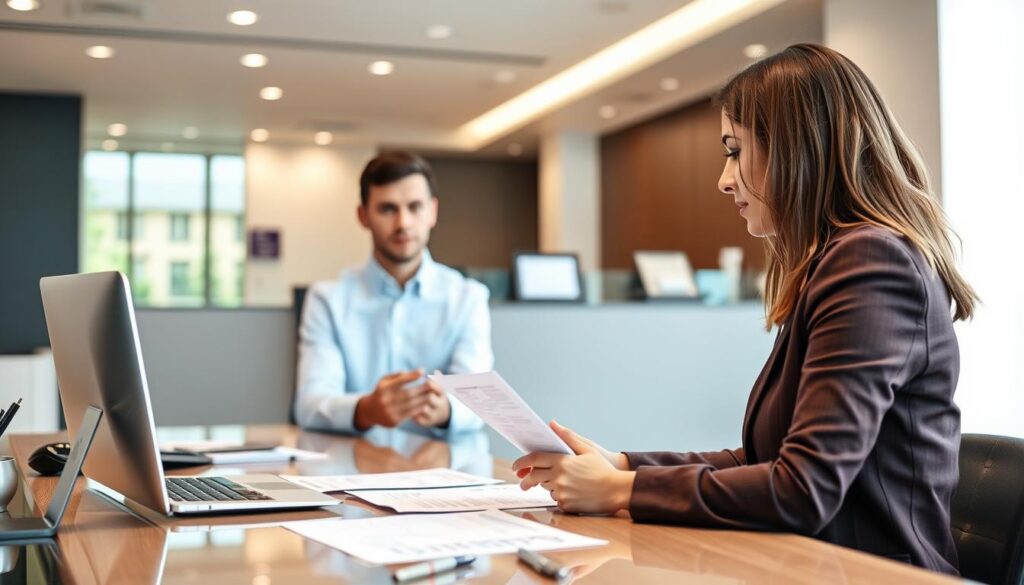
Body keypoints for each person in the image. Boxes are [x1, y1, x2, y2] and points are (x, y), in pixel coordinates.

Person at [513, 44, 977, 575]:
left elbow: (804, 489)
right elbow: (765, 462)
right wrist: (620, 464)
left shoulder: (871, 261)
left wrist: (623, 488)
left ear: (796, 147)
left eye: (734, 150)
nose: (724, 178)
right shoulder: (837, 260)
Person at [295, 151, 489, 435]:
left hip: (444, 469)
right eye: (388, 209)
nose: (403, 223)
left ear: (432, 211)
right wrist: (365, 409)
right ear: (363, 216)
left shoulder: (467, 298)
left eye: (415, 207)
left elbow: (480, 403)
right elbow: (309, 405)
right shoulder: (327, 300)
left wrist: (446, 409)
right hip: (350, 470)